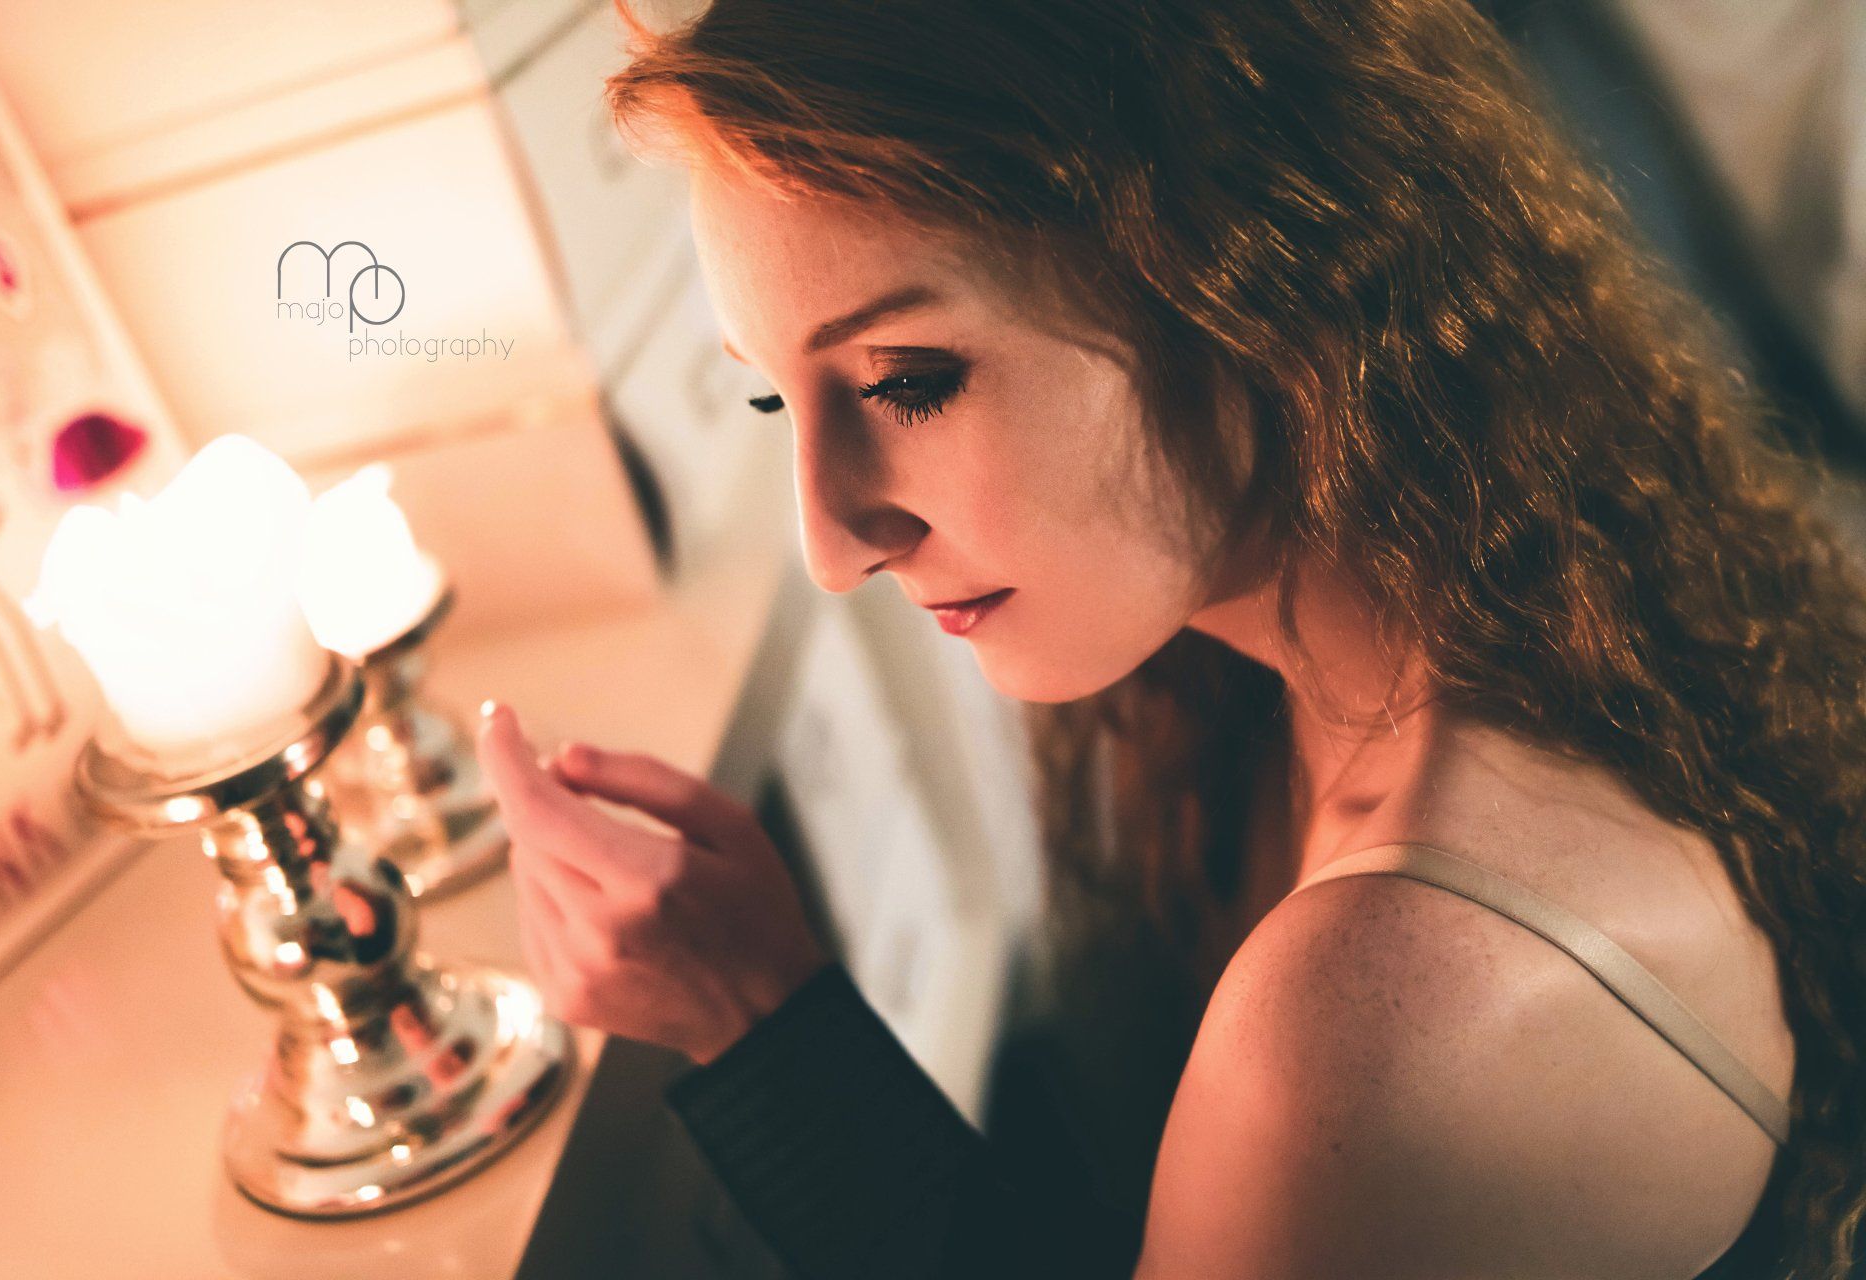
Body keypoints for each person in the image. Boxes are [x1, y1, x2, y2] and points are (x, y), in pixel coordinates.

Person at [473, 0, 1866, 1275]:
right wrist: (753, 999)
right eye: (774, 400)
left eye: (909, 381)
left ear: (1246, 278)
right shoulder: (1471, 602)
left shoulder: (1386, 1011)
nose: (836, 545)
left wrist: (768, 1039)